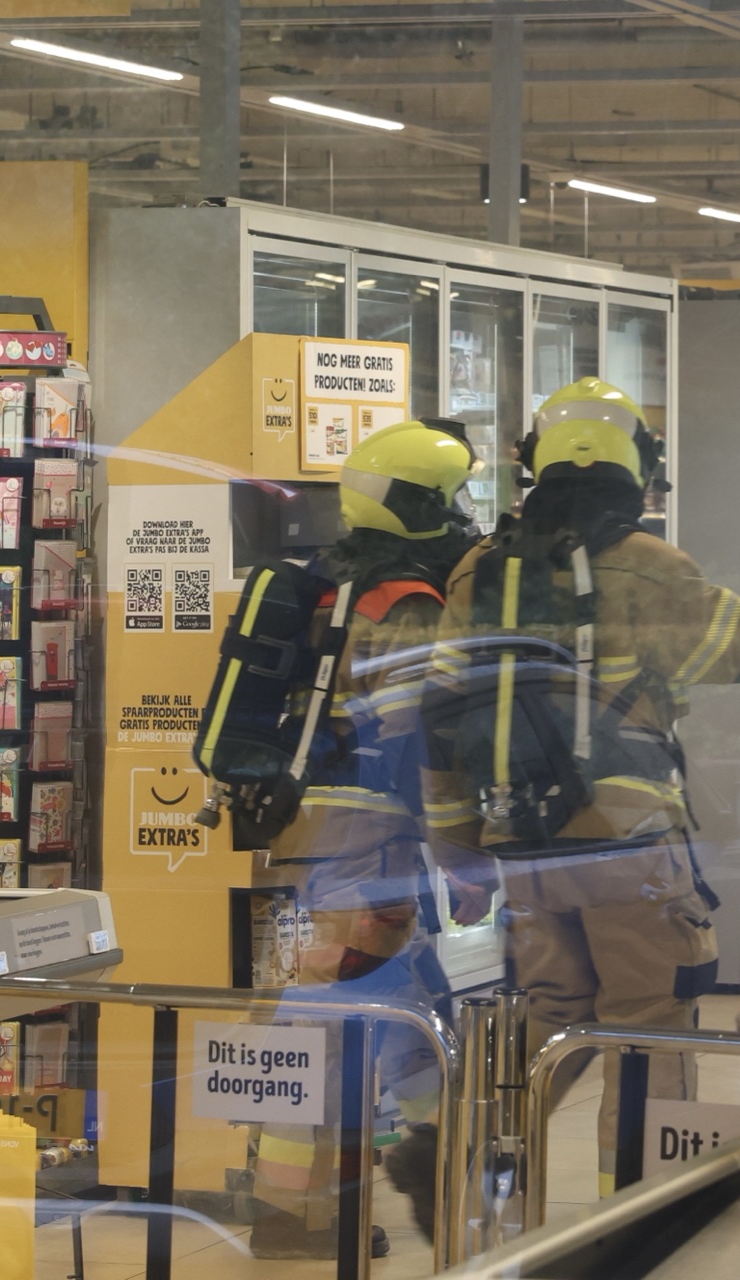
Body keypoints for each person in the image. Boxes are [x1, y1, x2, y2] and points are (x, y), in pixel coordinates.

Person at [423, 376, 740, 1195]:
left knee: (549, 1009)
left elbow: (442, 713)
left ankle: (461, 1162)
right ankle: (641, 1208)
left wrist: (457, 846)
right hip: (628, 840)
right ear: (638, 468)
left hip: (522, 843)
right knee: (650, 1021)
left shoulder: (478, 569)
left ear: (534, 461)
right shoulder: (648, 566)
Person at [247, 419, 486, 1260]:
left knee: (394, 1003)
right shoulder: (409, 606)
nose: (464, 514)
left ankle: (399, 1167)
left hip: (317, 829)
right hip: (369, 840)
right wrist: (466, 858)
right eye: (454, 498)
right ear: (420, 506)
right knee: (334, 1009)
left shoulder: (327, 585)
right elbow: (424, 742)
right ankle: (297, 1209)